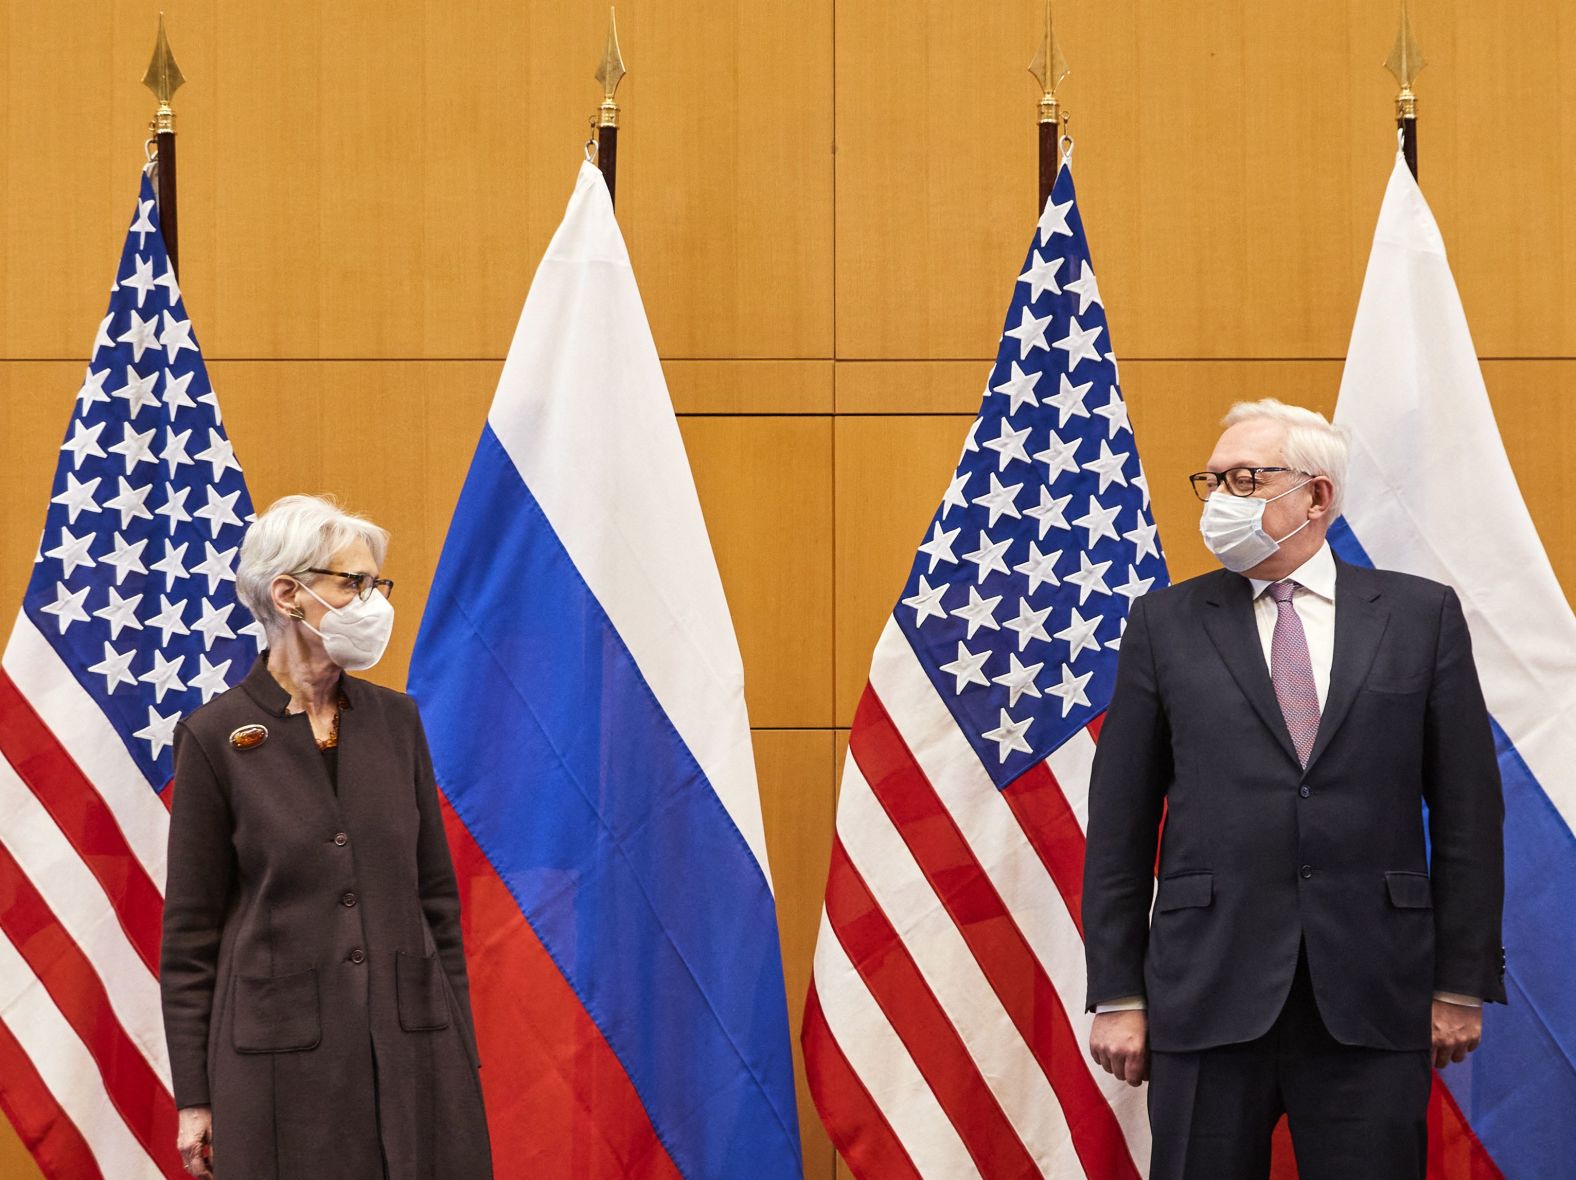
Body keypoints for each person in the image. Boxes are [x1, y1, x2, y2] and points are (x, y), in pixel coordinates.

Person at [1082, 400, 1505, 1179]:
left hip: (1374, 991)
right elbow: (1119, 823)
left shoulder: (1419, 617)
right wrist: (1117, 992)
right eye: (1211, 482)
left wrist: (1460, 982)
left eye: (1245, 479)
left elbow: (1469, 815)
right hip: (1206, 990)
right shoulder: (1164, 623)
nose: (1221, 500)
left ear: (1317, 496)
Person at [160, 494, 492, 1179]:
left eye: (376, 583)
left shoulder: (397, 723)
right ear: (288, 593)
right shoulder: (214, 737)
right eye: (353, 583)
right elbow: (190, 940)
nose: (372, 601)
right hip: (278, 1068)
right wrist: (195, 1099)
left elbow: (437, 900)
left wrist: (458, 1042)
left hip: (414, 1054)